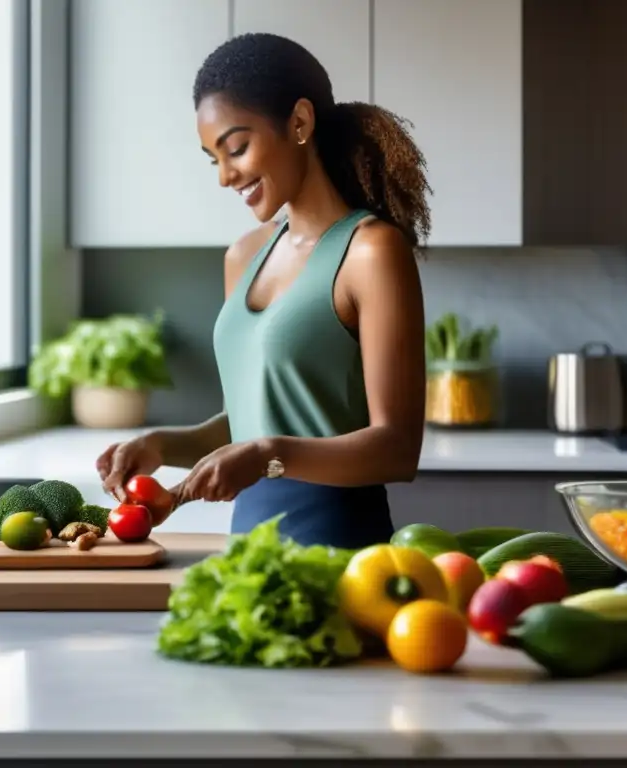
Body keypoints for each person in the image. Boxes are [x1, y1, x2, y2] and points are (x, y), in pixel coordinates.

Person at [95, 32, 432, 549]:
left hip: (344, 556)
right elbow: (255, 422)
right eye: (214, 158)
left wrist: (267, 455)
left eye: (236, 148)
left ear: (298, 123)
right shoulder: (244, 256)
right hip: (249, 556)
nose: (226, 176)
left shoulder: (371, 252)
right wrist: (164, 444)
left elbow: (397, 449)